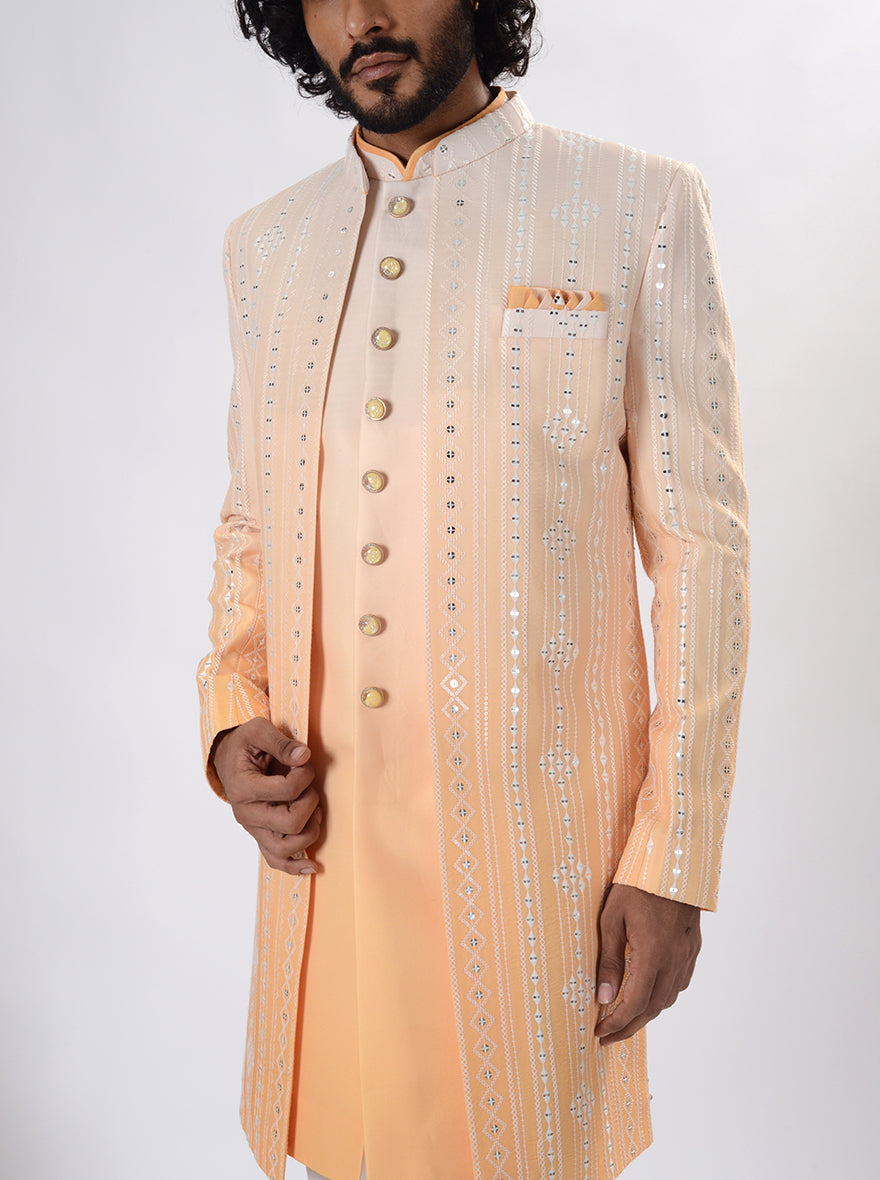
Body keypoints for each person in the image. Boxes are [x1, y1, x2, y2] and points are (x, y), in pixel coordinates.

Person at [197, 2, 750, 1178]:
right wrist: (228, 720)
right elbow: (251, 524)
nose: (364, 18)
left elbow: (701, 550)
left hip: (537, 870)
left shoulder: (635, 205)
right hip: (327, 872)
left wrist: (673, 856)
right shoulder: (265, 247)